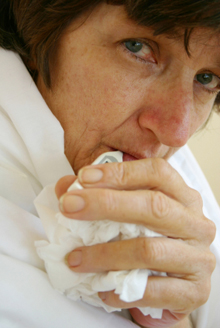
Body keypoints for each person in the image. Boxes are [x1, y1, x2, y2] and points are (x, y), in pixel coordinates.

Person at [0, 1, 220, 327]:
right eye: (138, 47)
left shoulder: (160, 171)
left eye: (206, 78)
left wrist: (171, 319)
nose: (176, 133)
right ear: (39, 28)